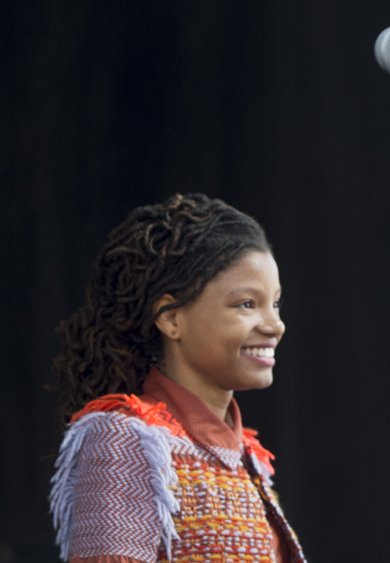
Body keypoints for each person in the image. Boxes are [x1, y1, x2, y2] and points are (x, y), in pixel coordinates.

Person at [49, 193, 306, 562]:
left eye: (275, 303)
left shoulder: (249, 456)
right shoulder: (123, 438)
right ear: (170, 318)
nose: (274, 325)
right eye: (246, 304)